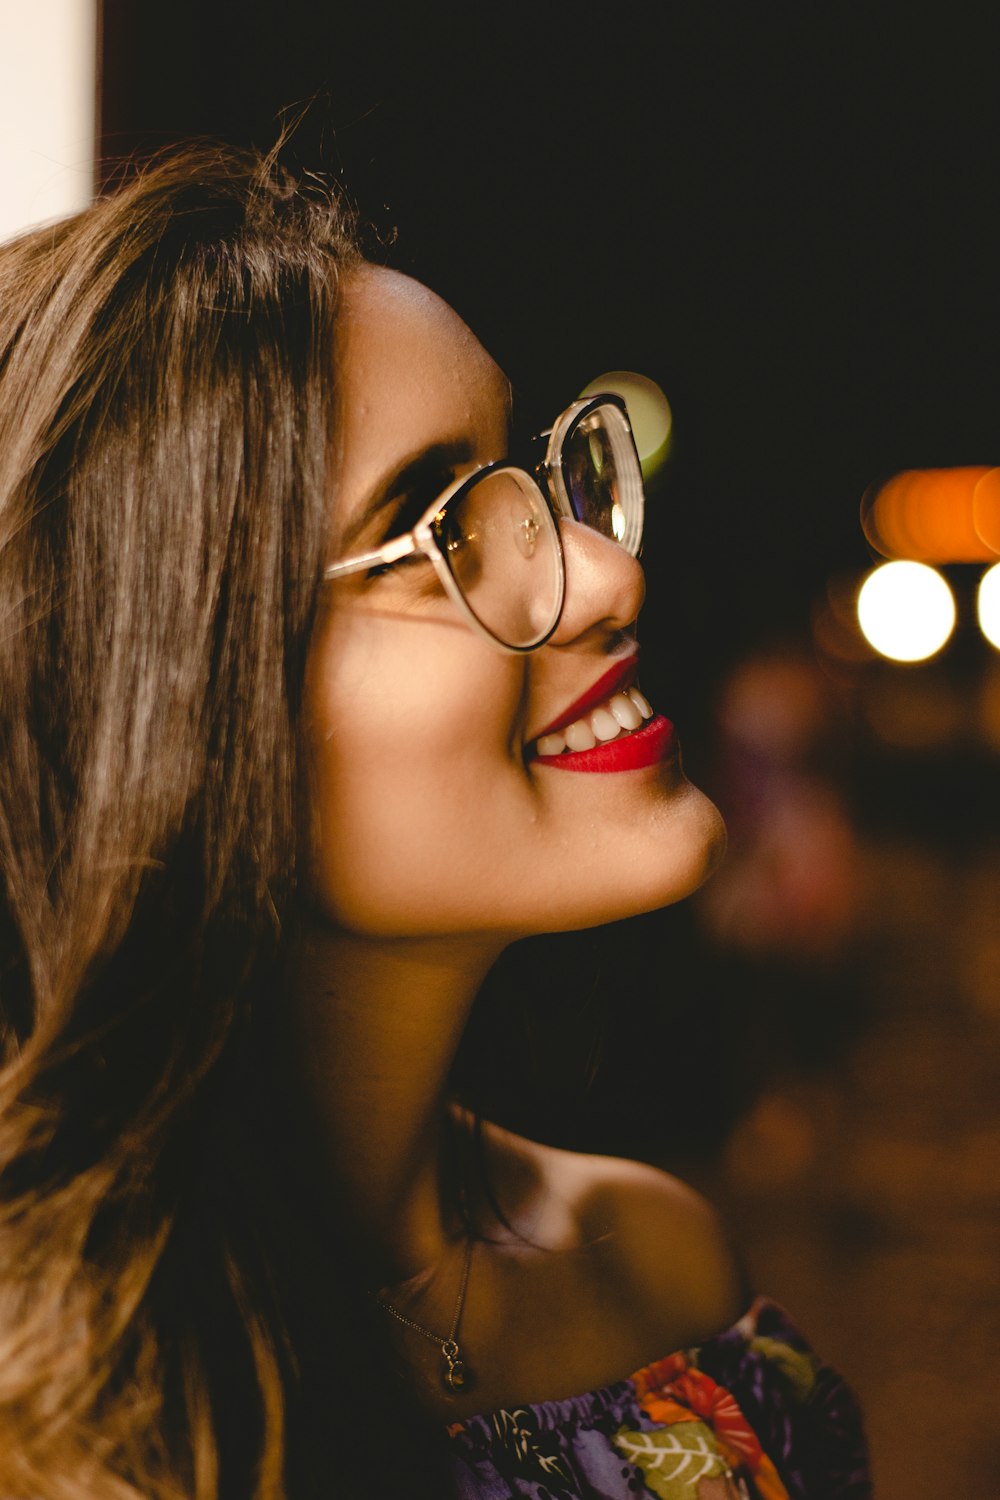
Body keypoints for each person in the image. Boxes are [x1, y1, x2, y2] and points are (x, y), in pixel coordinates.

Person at [0, 145, 870, 1500]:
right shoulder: (49, 1417)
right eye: (435, 528)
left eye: (526, 481)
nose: (606, 573)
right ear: (168, 689)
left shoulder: (662, 1272)